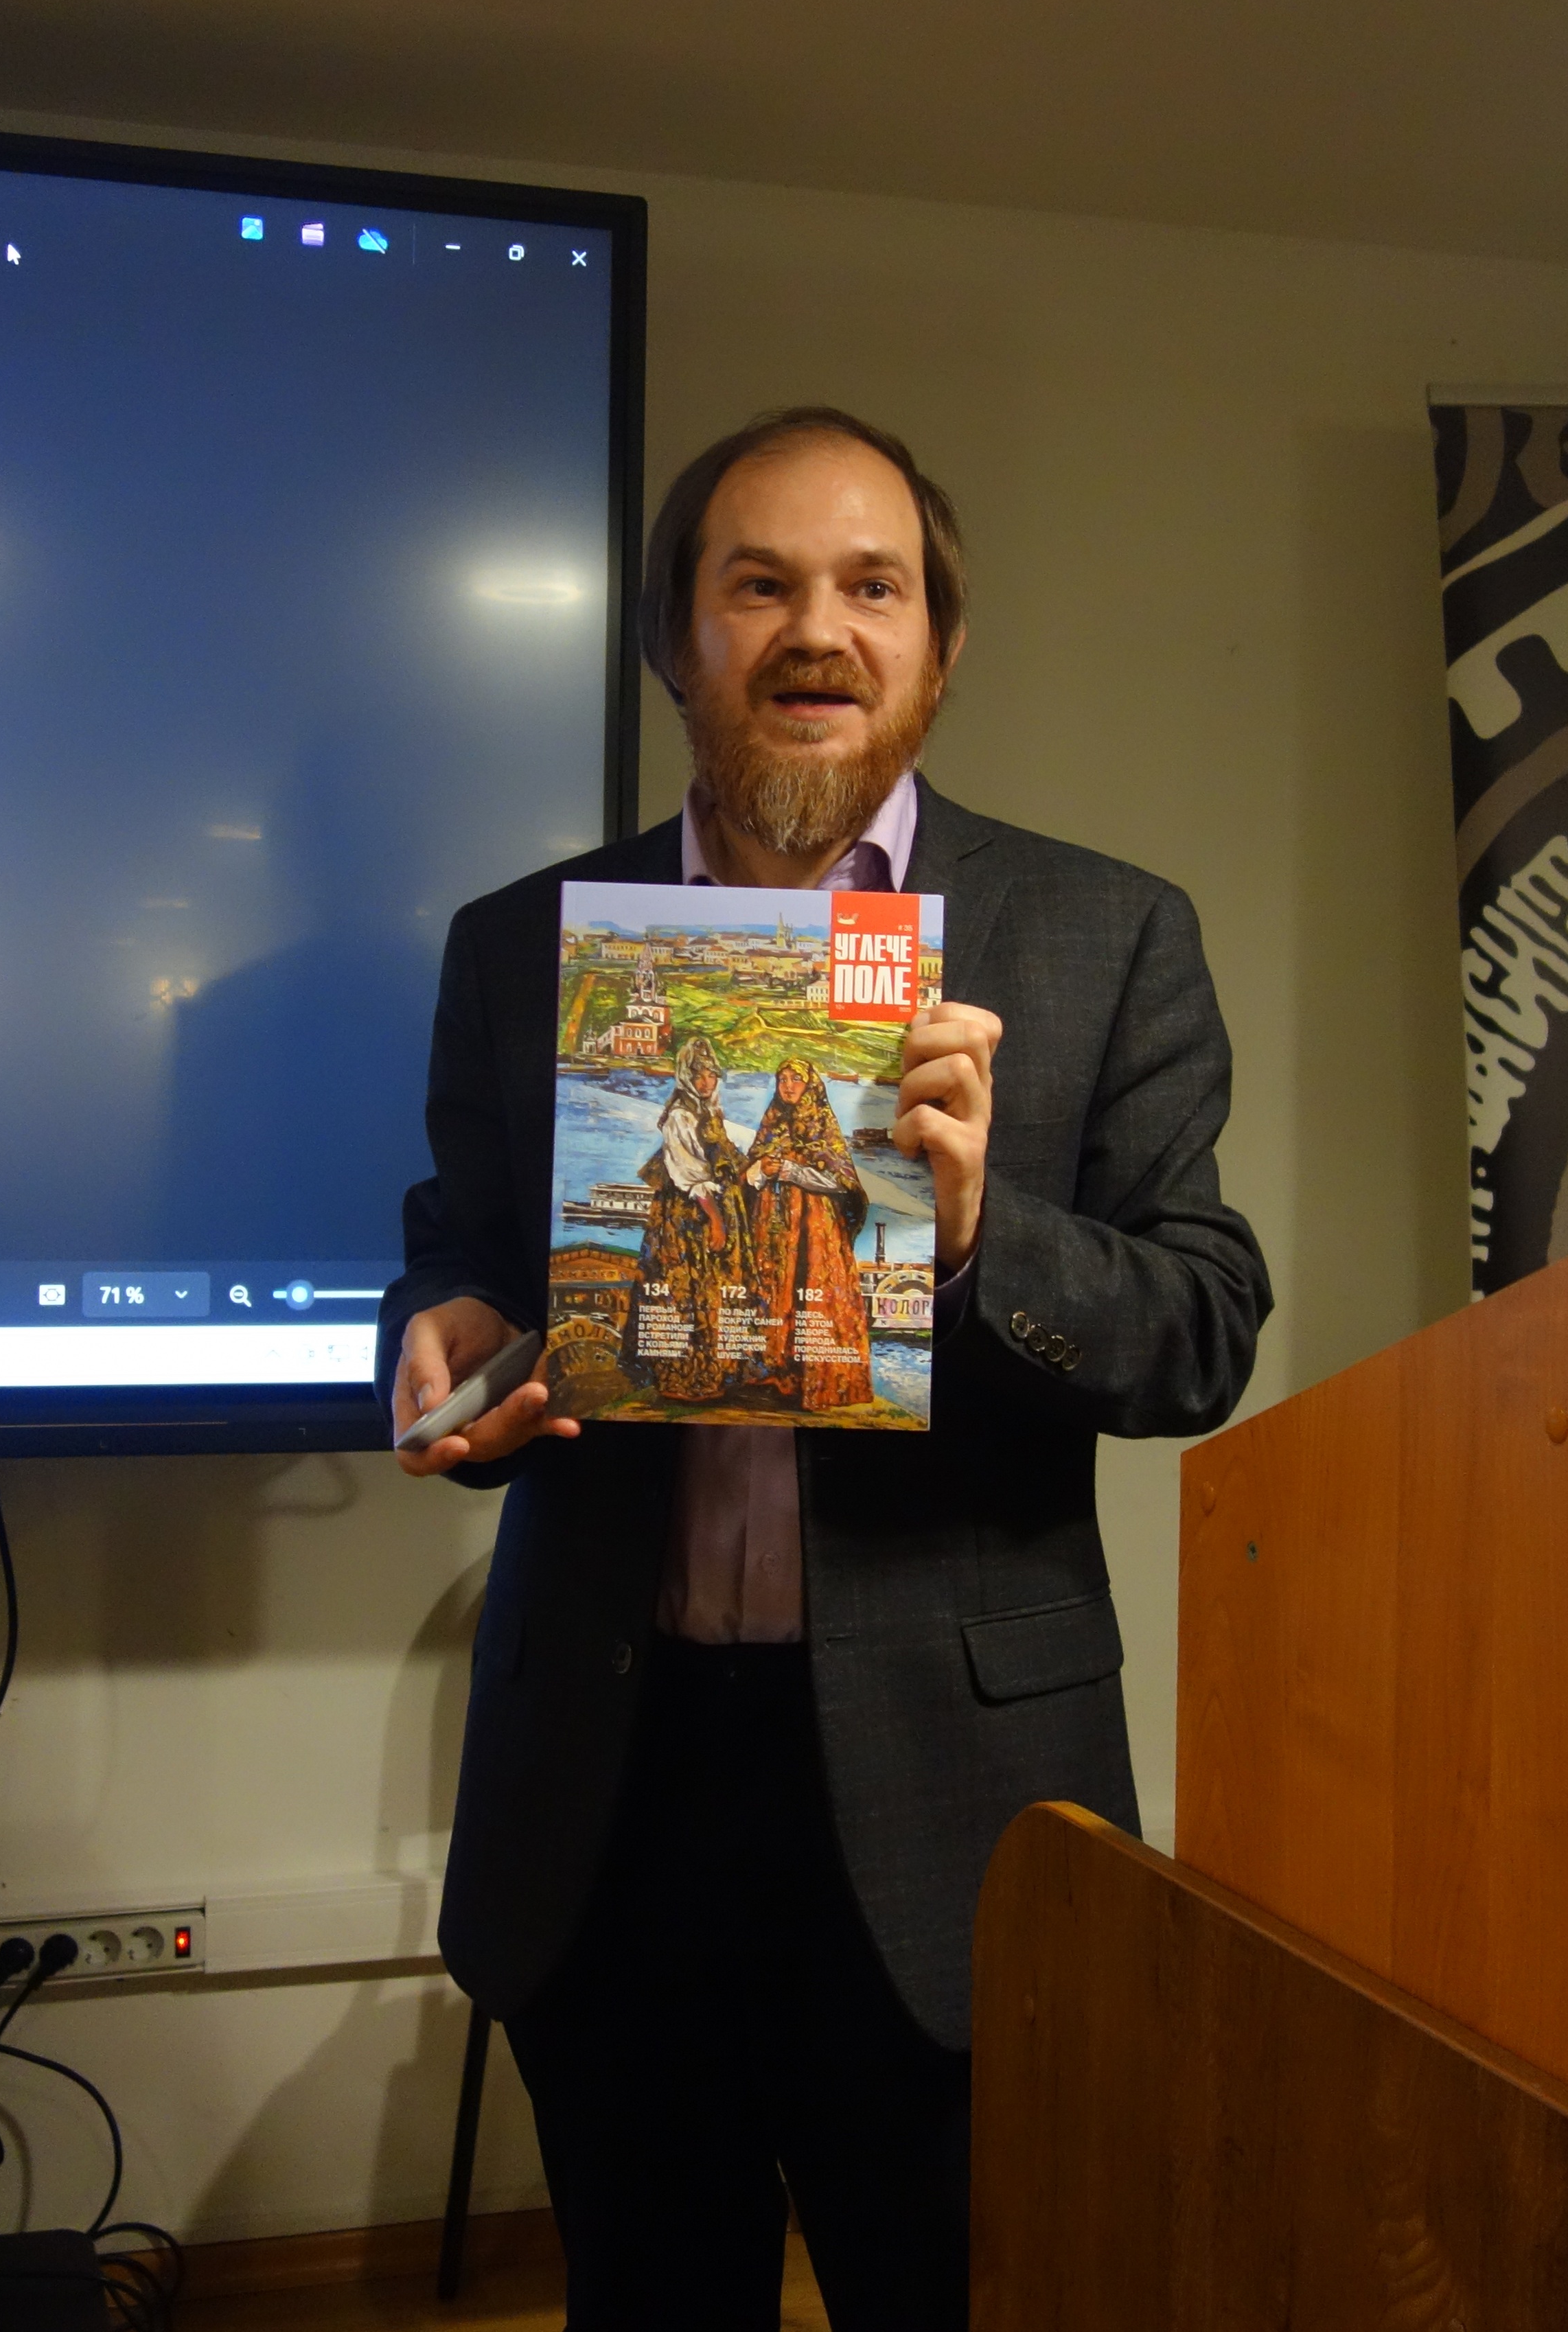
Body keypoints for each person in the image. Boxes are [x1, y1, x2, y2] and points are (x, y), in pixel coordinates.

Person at [381, 406, 1269, 2329]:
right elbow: (460, 1248)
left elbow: (1201, 1326)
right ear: (674, 639)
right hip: (611, 1786)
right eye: (759, 583)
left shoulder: (1106, 934)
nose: (818, 630)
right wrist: (437, 1333)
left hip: (958, 1789)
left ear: (938, 649)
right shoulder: (519, 946)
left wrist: (980, 1233)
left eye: (875, 587)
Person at [740, 1052, 875, 1410]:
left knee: (811, 1290)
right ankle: (771, 1374)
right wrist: (761, 1170)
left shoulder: (822, 1126)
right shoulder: (771, 1124)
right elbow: (747, 1177)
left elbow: (840, 1182)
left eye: (795, 1080)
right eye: (782, 1080)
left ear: (810, 1085)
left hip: (815, 1229)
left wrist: (791, 1171)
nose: (788, 1087)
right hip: (773, 1229)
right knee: (773, 1291)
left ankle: (813, 1381)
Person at [635, 1035, 751, 1404]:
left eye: (711, 1074)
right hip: (688, 1218)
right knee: (686, 1291)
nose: (706, 1081)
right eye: (698, 1074)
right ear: (686, 1075)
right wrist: (716, 1220)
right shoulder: (681, 1116)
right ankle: (683, 1380)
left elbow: (723, 1160)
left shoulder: (708, 1111)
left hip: (706, 1208)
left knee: (710, 1291)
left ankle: (711, 1374)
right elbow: (691, 1177)